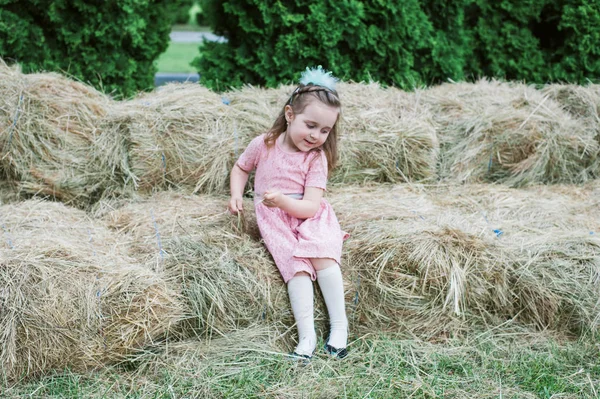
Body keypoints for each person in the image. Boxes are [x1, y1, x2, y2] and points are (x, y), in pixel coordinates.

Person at [228, 66, 349, 359]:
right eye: (310, 125)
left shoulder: (316, 159)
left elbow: (309, 207)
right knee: (295, 268)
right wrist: (235, 194)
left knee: (322, 256)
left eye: (324, 130)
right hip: (274, 218)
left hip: (308, 214)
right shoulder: (264, 143)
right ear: (289, 114)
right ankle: (306, 336)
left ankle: (340, 326)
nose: (316, 135)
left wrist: (282, 201)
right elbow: (241, 167)